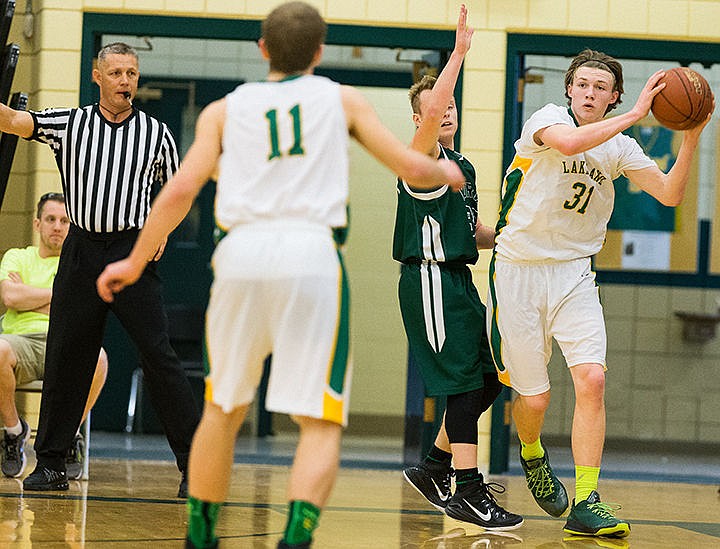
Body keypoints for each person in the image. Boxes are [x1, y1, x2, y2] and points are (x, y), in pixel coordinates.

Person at [95, 3, 467, 548]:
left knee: (222, 408)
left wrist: (132, 260)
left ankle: (202, 534)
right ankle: (296, 535)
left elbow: (178, 192)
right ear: (319, 53)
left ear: (262, 49)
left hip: (240, 255)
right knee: (319, 420)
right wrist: (445, 171)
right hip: (310, 256)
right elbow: (411, 165)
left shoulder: (223, 110)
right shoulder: (340, 99)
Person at [487, 49, 714, 538]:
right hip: (519, 270)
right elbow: (568, 146)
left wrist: (692, 136)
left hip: (574, 273)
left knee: (592, 380)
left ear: (612, 97)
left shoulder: (620, 147)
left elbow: (670, 194)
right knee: (536, 397)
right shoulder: (546, 120)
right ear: (569, 88)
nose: (589, 93)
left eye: (600, 88)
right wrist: (637, 113)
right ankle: (532, 454)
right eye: (583, 84)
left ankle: (586, 500)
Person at [0, 42, 201, 495]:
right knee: (66, 355)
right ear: (97, 76)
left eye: (131, 73)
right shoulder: (70, 123)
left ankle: (194, 465)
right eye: (116, 73)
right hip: (82, 252)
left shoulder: (156, 133)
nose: (125, 81)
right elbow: (14, 121)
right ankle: (50, 465)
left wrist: (161, 230)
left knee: (159, 355)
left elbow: (177, 193)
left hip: (131, 252)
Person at [395, 5, 522, 531]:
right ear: (421, 118)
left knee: (491, 381)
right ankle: (467, 491)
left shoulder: (462, 165)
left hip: (459, 279)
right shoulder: (417, 161)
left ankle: (435, 467)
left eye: (450, 107)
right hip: (428, 279)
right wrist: (460, 55)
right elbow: (431, 117)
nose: (446, 113)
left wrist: (521, 233)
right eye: (435, 108)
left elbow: (472, 235)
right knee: (465, 387)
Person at [0, 192, 108, 481]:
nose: (57, 226)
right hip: (20, 342)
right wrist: (61, 297)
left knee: (98, 357)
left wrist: (29, 296)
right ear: (37, 224)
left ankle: (69, 434)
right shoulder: (18, 256)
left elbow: (84, 307)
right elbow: (10, 296)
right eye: (50, 219)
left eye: (63, 221)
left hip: (65, 341)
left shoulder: (80, 263)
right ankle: (14, 432)